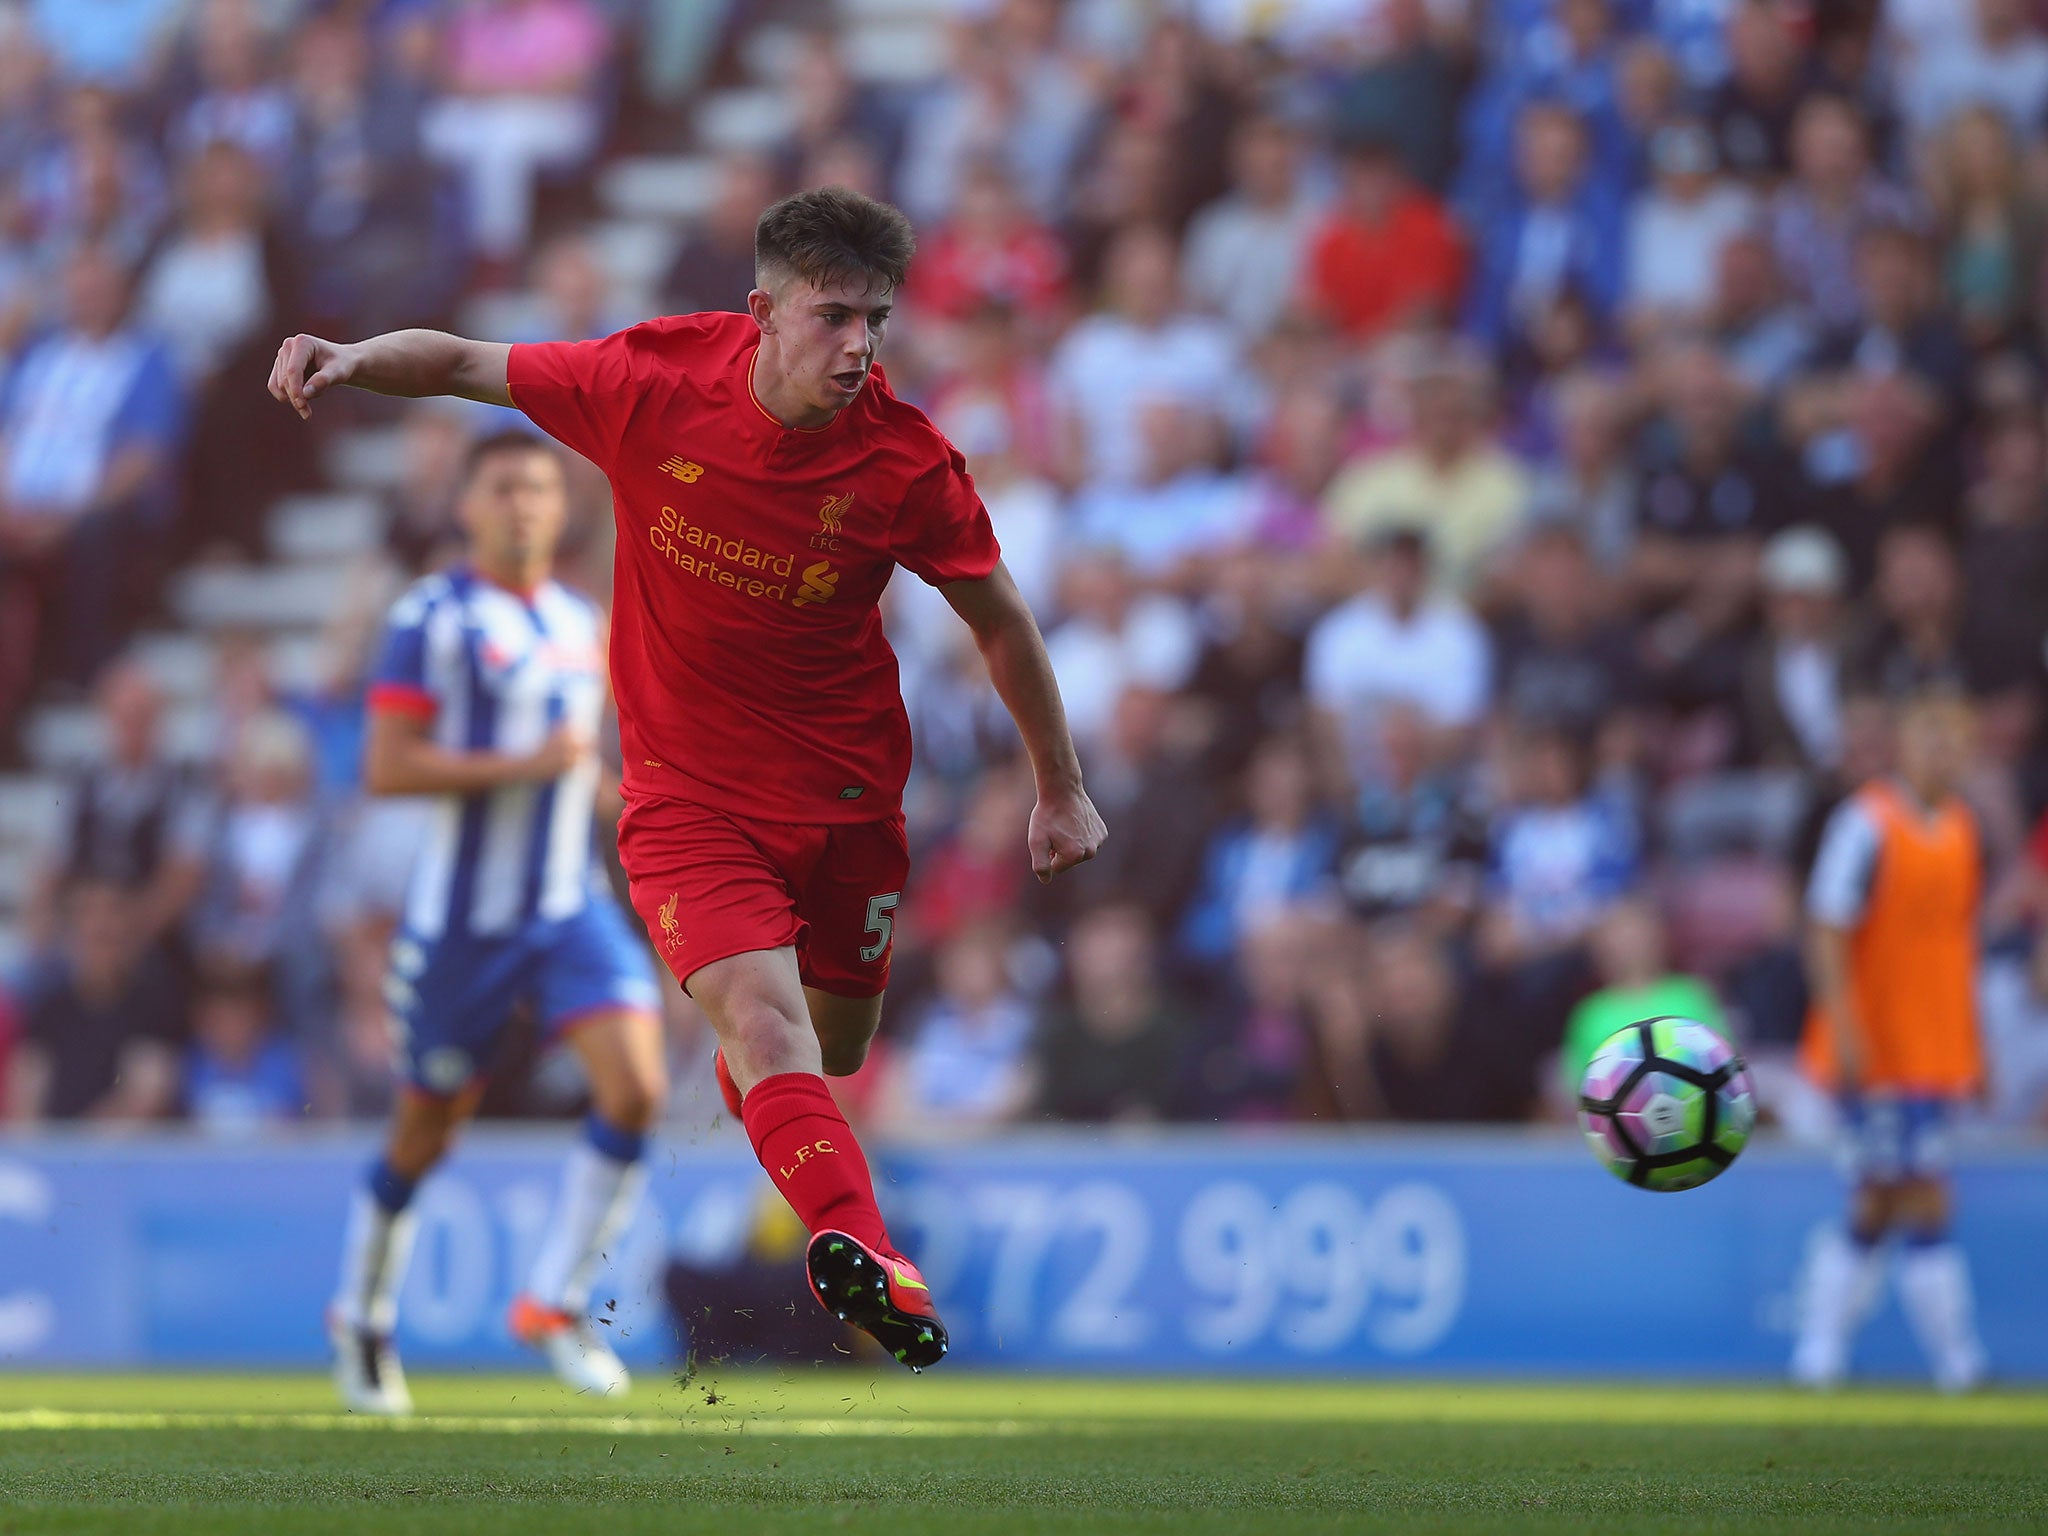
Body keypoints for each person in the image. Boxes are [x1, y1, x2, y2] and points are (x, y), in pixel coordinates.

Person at [269, 187, 1105, 1375]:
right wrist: (350, 357)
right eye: (831, 318)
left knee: (830, 1046)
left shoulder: (905, 463)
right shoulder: (650, 384)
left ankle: (763, 1111)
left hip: (848, 803)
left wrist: (1057, 784)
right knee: (766, 1028)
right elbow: (460, 359)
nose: (858, 346)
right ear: (760, 311)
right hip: (686, 804)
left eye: (875, 320)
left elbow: (1000, 620)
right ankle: (859, 1253)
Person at [317, 430, 666, 1414]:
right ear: (466, 506)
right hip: (461, 926)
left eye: (539, 490)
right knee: (425, 1133)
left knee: (636, 1086)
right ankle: (364, 1314)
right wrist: (524, 768)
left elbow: (572, 763)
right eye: (504, 488)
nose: (523, 506)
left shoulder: (575, 620)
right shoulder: (429, 618)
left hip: (565, 909)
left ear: (561, 511)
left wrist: (623, 803)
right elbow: (386, 765)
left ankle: (554, 1301)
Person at [1792, 684, 1989, 1392]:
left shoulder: (1962, 827)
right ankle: (1957, 1361)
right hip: (1878, 1050)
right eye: (1931, 735)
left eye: (1956, 737)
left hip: (1936, 1049)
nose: (1945, 750)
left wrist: (1975, 1048)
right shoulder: (1866, 822)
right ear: (1903, 744)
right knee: (1921, 1194)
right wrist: (1844, 1028)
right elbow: (1826, 928)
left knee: (1877, 1201)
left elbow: (1953, 948)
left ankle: (1820, 1350)